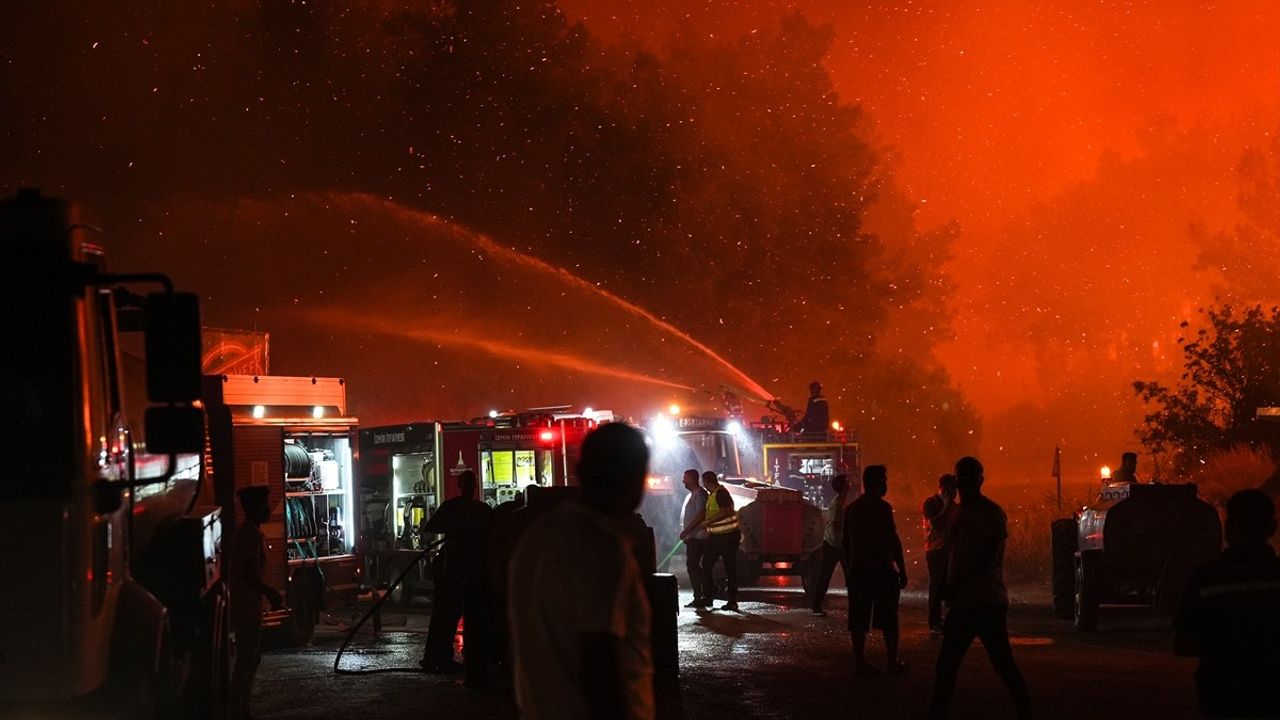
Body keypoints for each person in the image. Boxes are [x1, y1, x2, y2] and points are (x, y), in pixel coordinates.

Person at [507, 422, 654, 720]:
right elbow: (599, 663)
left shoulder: (535, 537)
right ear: (635, 479)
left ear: (580, 470)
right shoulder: (602, 548)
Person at [927, 456, 1031, 720]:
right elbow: (946, 543)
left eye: (966, 479)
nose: (964, 484)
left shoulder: (989, 513)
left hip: (984, 600)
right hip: (971, 601)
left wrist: (952, 585)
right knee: (951, 665)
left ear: (978, 480)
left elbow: (987, 556)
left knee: (996, 664)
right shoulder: (961, 512)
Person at [1175, 489, 1280, 719]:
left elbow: (1184, 644)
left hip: (1221, 692)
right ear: (1272, 527)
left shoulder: (1206, 576)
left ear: (1228, 526)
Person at [420, 469, 494, 673]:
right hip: (456, 569)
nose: (470, 487)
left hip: (461, 569)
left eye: (472, 483)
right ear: (463, 486)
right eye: (468, 483)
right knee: (447, 615)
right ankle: (437, 657)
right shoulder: (477, 509)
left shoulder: (468, 508)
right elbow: (432, 526)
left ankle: (442, 657)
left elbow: (432, 526)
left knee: (450, 615)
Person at [842, 465, 908, 676]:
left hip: (859, 570)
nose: (886, 484)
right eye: (884, 480)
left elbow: (845, 543)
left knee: (858, 619)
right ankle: (891, 662)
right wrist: (902, 568)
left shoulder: (852, 509)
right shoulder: (883, 508)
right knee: (889, 618)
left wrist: (849, 570)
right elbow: (892, 540)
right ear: (878, 483)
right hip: (881, 569)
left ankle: (860, 664)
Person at [229, 485, 283, 720]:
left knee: (251, 657)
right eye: (264, 505)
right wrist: (270, 592)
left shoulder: (251, 533)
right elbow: (250, 574)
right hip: (246, 607)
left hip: (250, 605)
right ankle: (238, 709)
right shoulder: (249, 535)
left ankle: (241, 707)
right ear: (254, 508)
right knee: (247, 658)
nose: (268, 509)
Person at [693, 471, 742, 611]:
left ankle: (725, 599)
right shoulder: (714, 494)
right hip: (720, 537)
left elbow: (724, 512)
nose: (704, 485)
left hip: (727, 537)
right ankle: (711, 597)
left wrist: (707, 522)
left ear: (708, 481)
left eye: (705, 483)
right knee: (713, 565)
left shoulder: (720, 493)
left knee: (724, 567)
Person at [810, 473, 852, 616]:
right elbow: (834, 526)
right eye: (847, 483)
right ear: (843, 487)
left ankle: (817, 605)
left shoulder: (841, 502)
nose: (849, 485)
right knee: (826, 575)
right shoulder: (837, 504)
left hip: (837, 543)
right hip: (834, 545)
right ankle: (816, 606)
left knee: (847, 574)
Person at [923, 473, 958, 633]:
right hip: (935, 550)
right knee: (937, 585)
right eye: (952, 490)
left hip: (950, 550)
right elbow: (936, 524)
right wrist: (945, 506)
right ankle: (934, 621)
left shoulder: (954, 506)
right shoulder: (930, 503)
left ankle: (949, 619)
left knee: (951, 584)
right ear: (944, 489)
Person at [677, 468, 711, 609]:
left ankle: (702, 595)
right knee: (693, 565)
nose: (683, 480)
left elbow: (701, 514)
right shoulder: (690, 495)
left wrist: (687, 530)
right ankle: (701, 594)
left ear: (692, 478)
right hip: (692, 537)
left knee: (693, 565)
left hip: (699, 537)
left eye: (685, 477)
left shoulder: (700, 494)